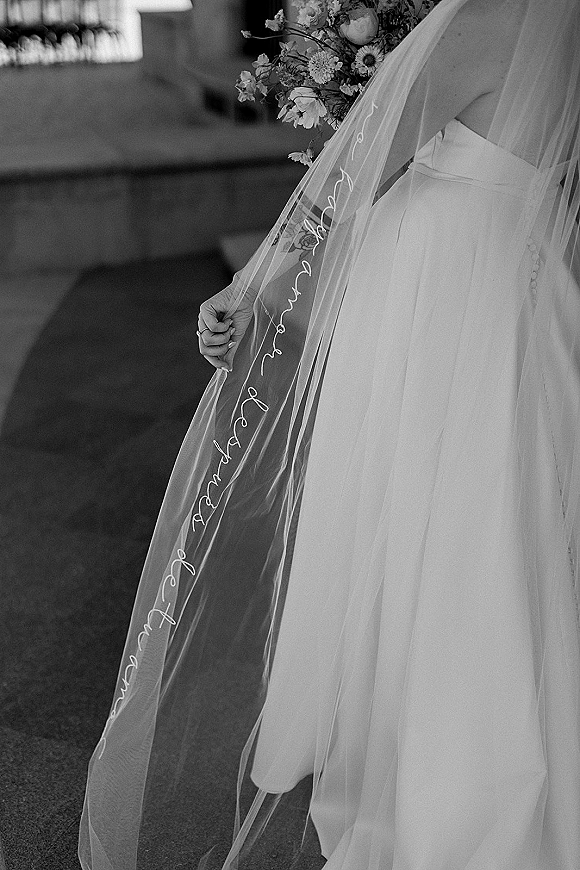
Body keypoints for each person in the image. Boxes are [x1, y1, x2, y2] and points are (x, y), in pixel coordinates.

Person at [79, 0, 580, 868]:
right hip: (525, 283)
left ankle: (437, 782)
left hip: (442, 297)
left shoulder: (492, 15)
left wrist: (254, 280)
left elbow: (353, 173)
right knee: (504, 524)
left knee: (421, 528)